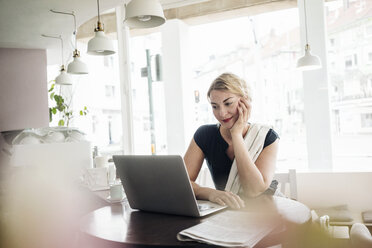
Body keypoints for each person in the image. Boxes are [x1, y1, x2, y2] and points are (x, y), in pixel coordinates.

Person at [184, 73, 279, 209]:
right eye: (215, 106)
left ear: (245, 101)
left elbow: (253, 190)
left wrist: (236, 134)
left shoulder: (267, 137)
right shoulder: (204, 135)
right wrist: (210, 193)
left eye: (228, 103)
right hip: (228, 211)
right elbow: (182, 184)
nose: (222, 113)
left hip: (265, 211)